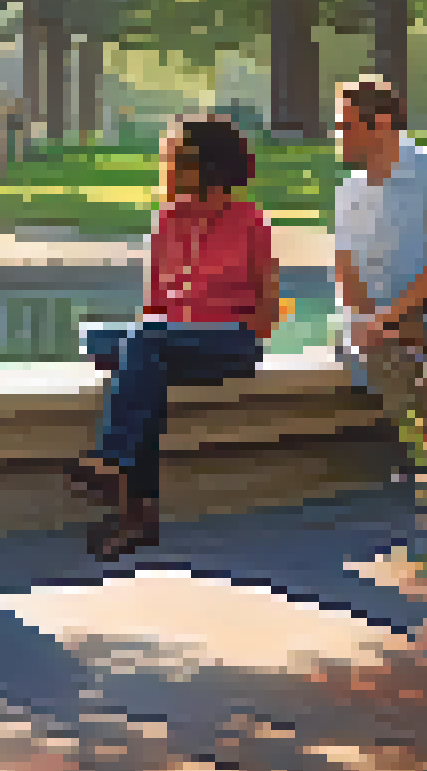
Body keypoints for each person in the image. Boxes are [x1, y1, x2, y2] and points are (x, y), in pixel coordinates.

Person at [65, 116, 278, 560]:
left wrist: (244, 341)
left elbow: (267, 302)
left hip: (229, 340)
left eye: (176, 158)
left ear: (207, 167)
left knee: (142, 352)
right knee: (103, 341)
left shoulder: (250, 220)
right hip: (169, 338)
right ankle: (129, 498)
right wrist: (156, 343)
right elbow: (155, 302)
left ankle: (117, 472)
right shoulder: (166, 221)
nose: (167, 166)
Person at [330, 77, 427, 445]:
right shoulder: (349, 192)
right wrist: (372, 320)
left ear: (381, 124)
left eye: (346, 125)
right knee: (366, 346)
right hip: (377, 312)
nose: (338, 135)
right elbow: (346, 270)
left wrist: (395, 317)